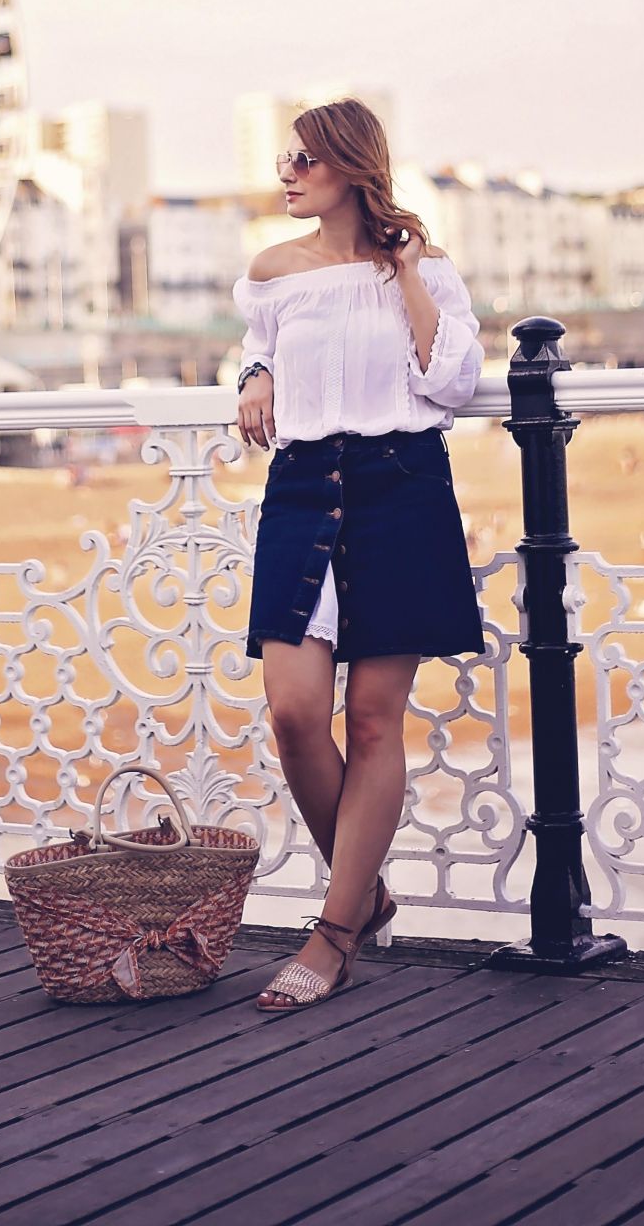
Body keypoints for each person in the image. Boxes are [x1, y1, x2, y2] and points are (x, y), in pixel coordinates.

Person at [234, 98, 486, 1013]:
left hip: (400, 487)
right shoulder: (272, 271)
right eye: (283, 158)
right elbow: (258, 350)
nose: (286, 172)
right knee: (295, 713)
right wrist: (254, 374)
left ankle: (334, 934)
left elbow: (451, 381)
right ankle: (366, 892)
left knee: (375, 722)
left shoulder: (424, 267)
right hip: (302, 489)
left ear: (350, 164)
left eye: (304, 158)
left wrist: (407, 273)